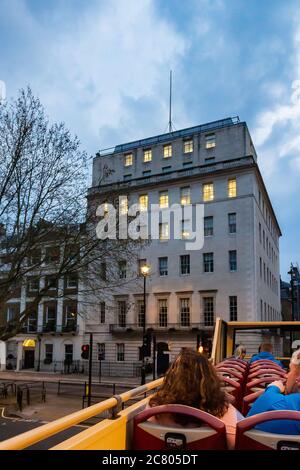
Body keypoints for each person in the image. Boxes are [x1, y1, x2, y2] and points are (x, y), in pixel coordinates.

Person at [148, 348, 243, 450]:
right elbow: (243, 441)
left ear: (170, 377)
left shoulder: (153, 410)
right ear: (209, 378)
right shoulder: (224, 412)